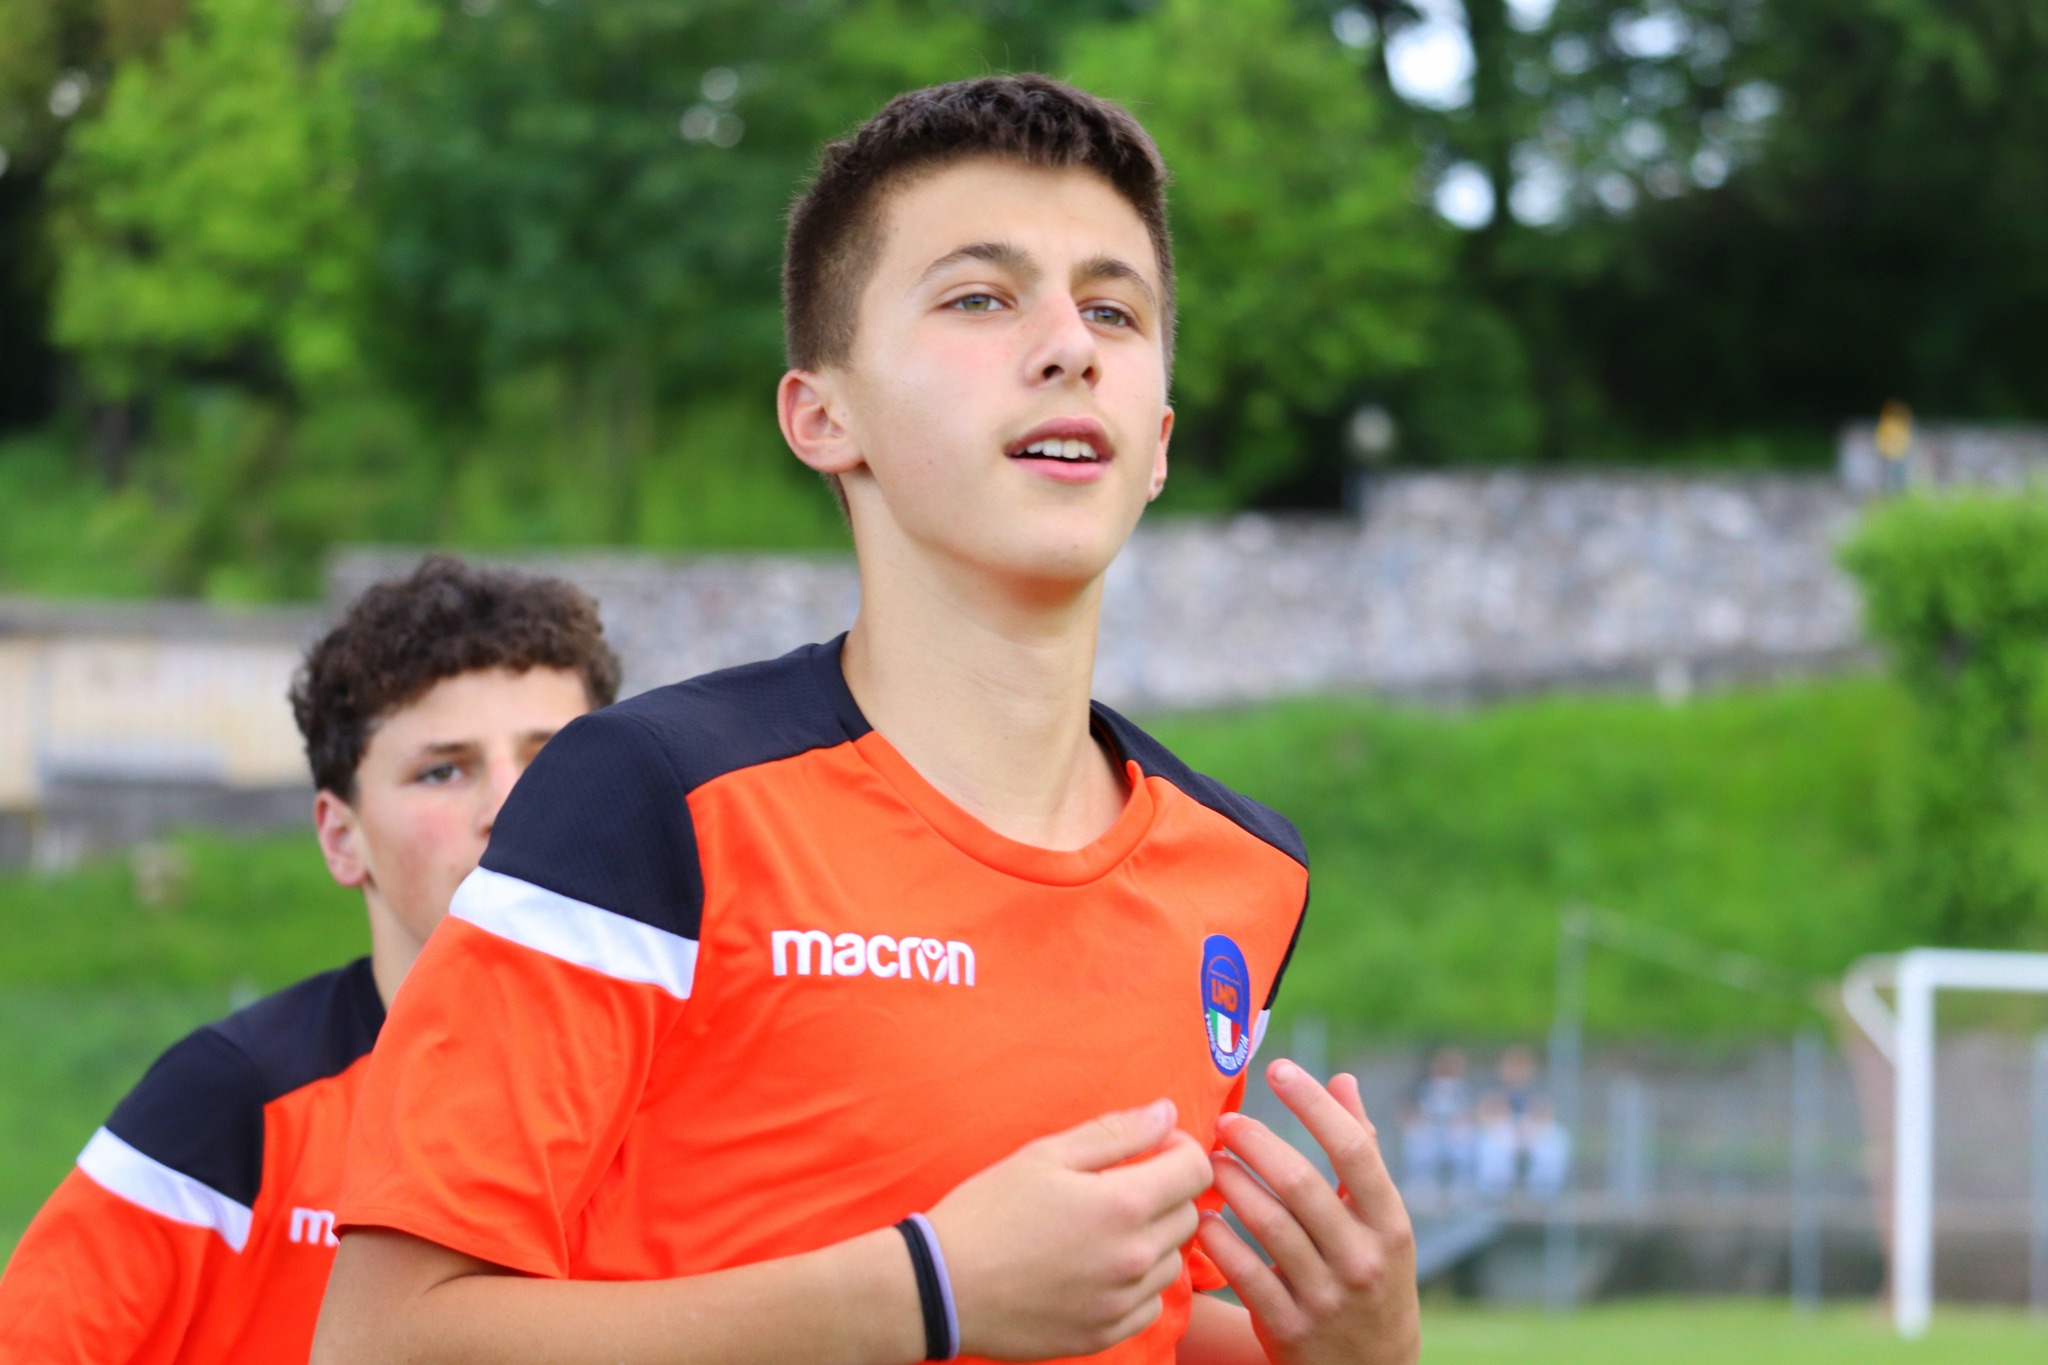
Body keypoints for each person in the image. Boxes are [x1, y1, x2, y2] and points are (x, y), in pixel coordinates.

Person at [313, 75, 1419, 1365]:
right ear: (822, 415)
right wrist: (924, 1288)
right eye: (980, 298)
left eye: (1111, 309)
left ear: (1158, 439)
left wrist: (1348, 1356)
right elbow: (381, 1341)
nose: (1068, 345)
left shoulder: (1243, 873)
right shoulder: (654, 796)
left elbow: (1118, 1320)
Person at [0, 557, 619, 1363]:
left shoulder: (699, 1084)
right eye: (443, 770)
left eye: (553, 760)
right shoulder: (233, 1106)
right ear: (340, 836)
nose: (511, 806)